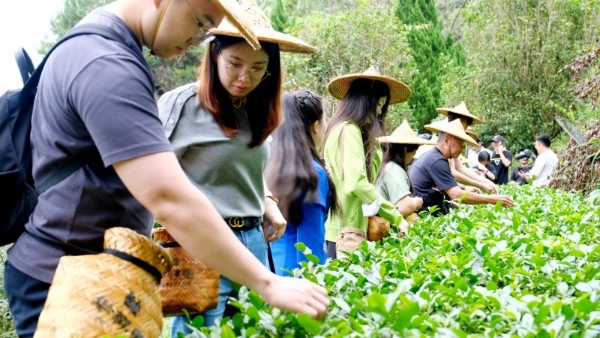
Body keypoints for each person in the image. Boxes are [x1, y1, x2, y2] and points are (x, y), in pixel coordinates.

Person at [3, 1, 328, 337]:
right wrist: (267, 282)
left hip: (98, 274)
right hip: (64, 280)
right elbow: (167, 196)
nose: (199, 39)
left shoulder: (107, 47)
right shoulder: (108, 63)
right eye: (200, 22)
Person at [157, 3, 319, 333]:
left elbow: (245, 170)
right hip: (203, 247)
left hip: (253, 242)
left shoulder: (253, 110)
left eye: (258, 68)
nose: (245, 77)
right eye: (235, 64)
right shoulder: (183, 107)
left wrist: (266, 201)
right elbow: (152, 180)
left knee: (251, 329)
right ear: (213, 54)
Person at [322, 66, 409, 258]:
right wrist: (395, 216)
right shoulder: (349, 130)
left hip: (342, 229)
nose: (379, 113)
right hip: (346, 232)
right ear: (366, 101)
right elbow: (357, 183)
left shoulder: (341, 128)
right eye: (378, 105)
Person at [265, 91, 339, 276]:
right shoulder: (312, 173)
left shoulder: (269, 166)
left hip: (267, 269)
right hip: (294, 275)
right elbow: (310, 248)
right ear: (315, 126)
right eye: (325, 120)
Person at [409, 119, 514, 216]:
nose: (463, 147)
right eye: (460, 142)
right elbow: (456, 194)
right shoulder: (437, 160)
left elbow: (450, 185)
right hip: (423, 215)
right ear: (446, 140)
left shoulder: (437, 157)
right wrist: (492, 199)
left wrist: (467, 188)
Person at [375, 119, 435, 218]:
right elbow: (403, 208)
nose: (414, 156)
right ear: (405, 150)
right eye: (414, 152)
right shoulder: (394, 169)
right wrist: (415, 203)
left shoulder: (385, 166)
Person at [436, 102, 498, 193]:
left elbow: (461, 168)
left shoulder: (451, 145)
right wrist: (480, 185)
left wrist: (487, 182)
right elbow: (453, 173)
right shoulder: (445, 142)